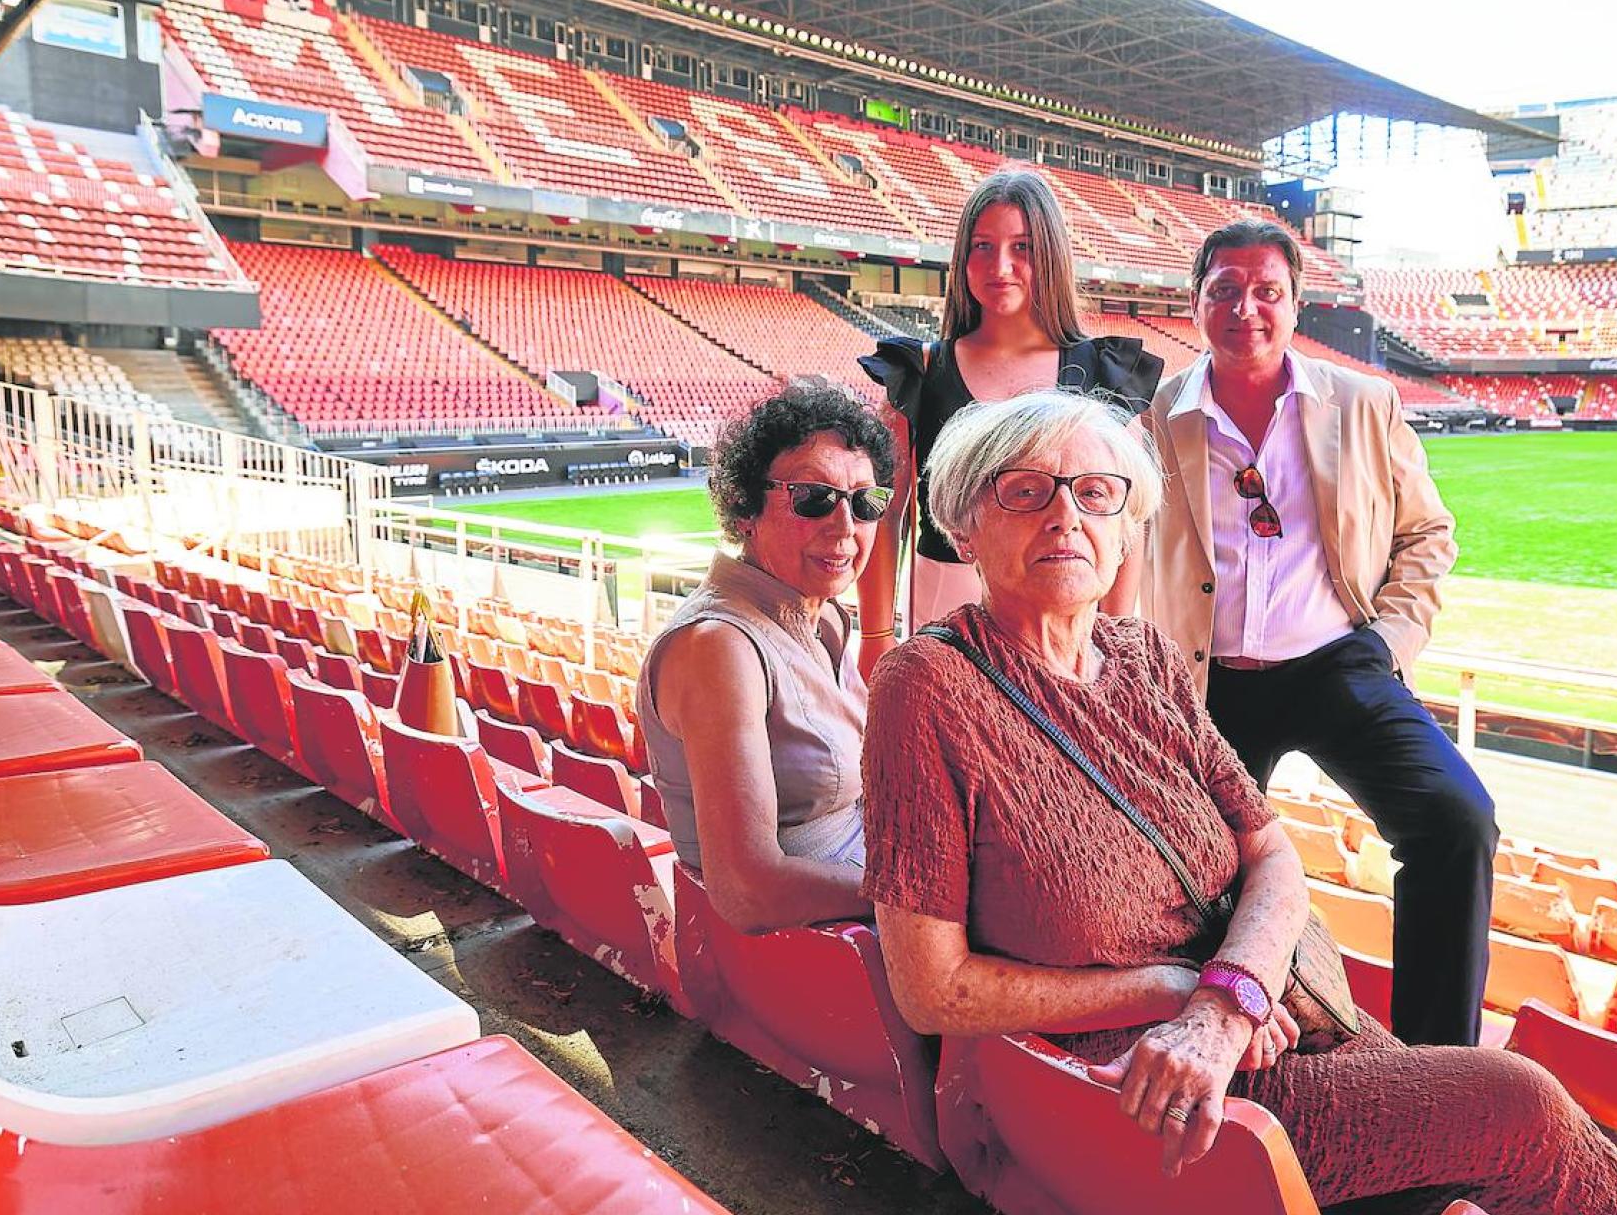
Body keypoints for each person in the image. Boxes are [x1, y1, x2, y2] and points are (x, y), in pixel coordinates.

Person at [860, 389, 1617, 1214]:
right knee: (1519, 1107)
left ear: (1125, 532)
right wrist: (1176, 990)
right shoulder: (928, 687)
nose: (1066, 516)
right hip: (1129, 1087)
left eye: (1097, 492)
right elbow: (933, 988)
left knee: (1501, 1137)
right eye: (1024, 489)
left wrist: (1232, 991)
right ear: (963, 526)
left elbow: (1270, 848)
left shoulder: (1143, 656)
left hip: (1261, 1021)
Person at [1137, 218, 1495, 1048]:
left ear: (1296, 306)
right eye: (1224, 288)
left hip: (1339, 662)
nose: (1245, 308)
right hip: (1208, 679)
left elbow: (1427, 535)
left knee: (1456, 821)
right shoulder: (1157, 417)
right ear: (1196, 303)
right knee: (1196, 871)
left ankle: (1438, 1063)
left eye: (1267, 291)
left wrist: (1392, 643)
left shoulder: (1364, 405)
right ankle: (1227, 1041)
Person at [856, 167, 1162, 683]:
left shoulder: (1103, 372)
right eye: (982, 246)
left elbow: (1128, 520)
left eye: (1022, 247)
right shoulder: (923, 372)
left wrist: (1113, 632)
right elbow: (884, 515)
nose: (1000, 266)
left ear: (1051, 254)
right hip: (945, 603)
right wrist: (876, 634)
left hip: (1066, 608)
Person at [637, 385, 894, 933]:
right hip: (823, 949)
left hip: (862, 891)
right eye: (812, 498)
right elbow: (749, 889)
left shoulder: (818, 616)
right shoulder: (719, 647)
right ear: (746, 509)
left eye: (867, 501)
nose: (846, 527)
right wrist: (925, 903)